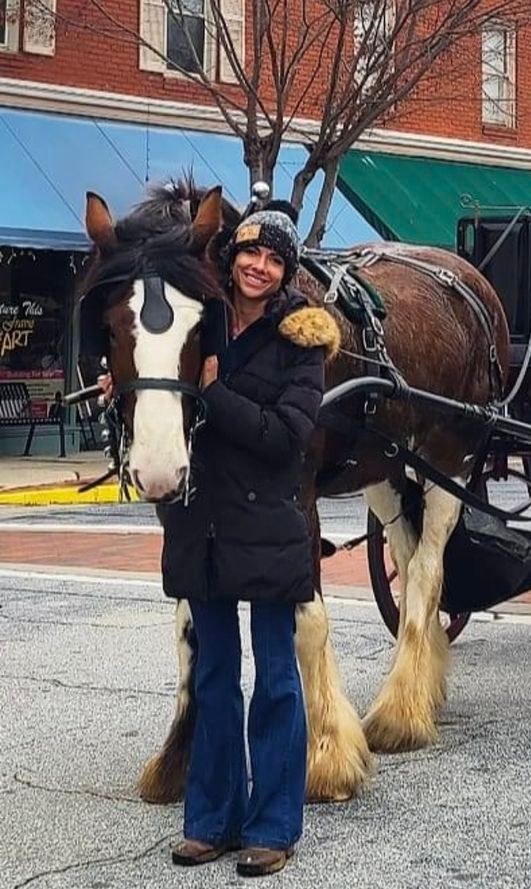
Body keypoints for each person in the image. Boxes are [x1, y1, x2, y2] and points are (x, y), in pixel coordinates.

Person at [99, 200, 339, 877]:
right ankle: (210, 819)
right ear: (231, 257)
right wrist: (127, 384)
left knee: (276, 682)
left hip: (266, 525)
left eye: (273, 258)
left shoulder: (300, 339)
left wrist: (215, 395)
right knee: (212, 677)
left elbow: (286, 438)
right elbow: (159, 372)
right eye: (249, 253)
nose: (258, 266)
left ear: (285, 270)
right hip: (201, 523)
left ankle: (274, 825)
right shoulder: (198, 316)